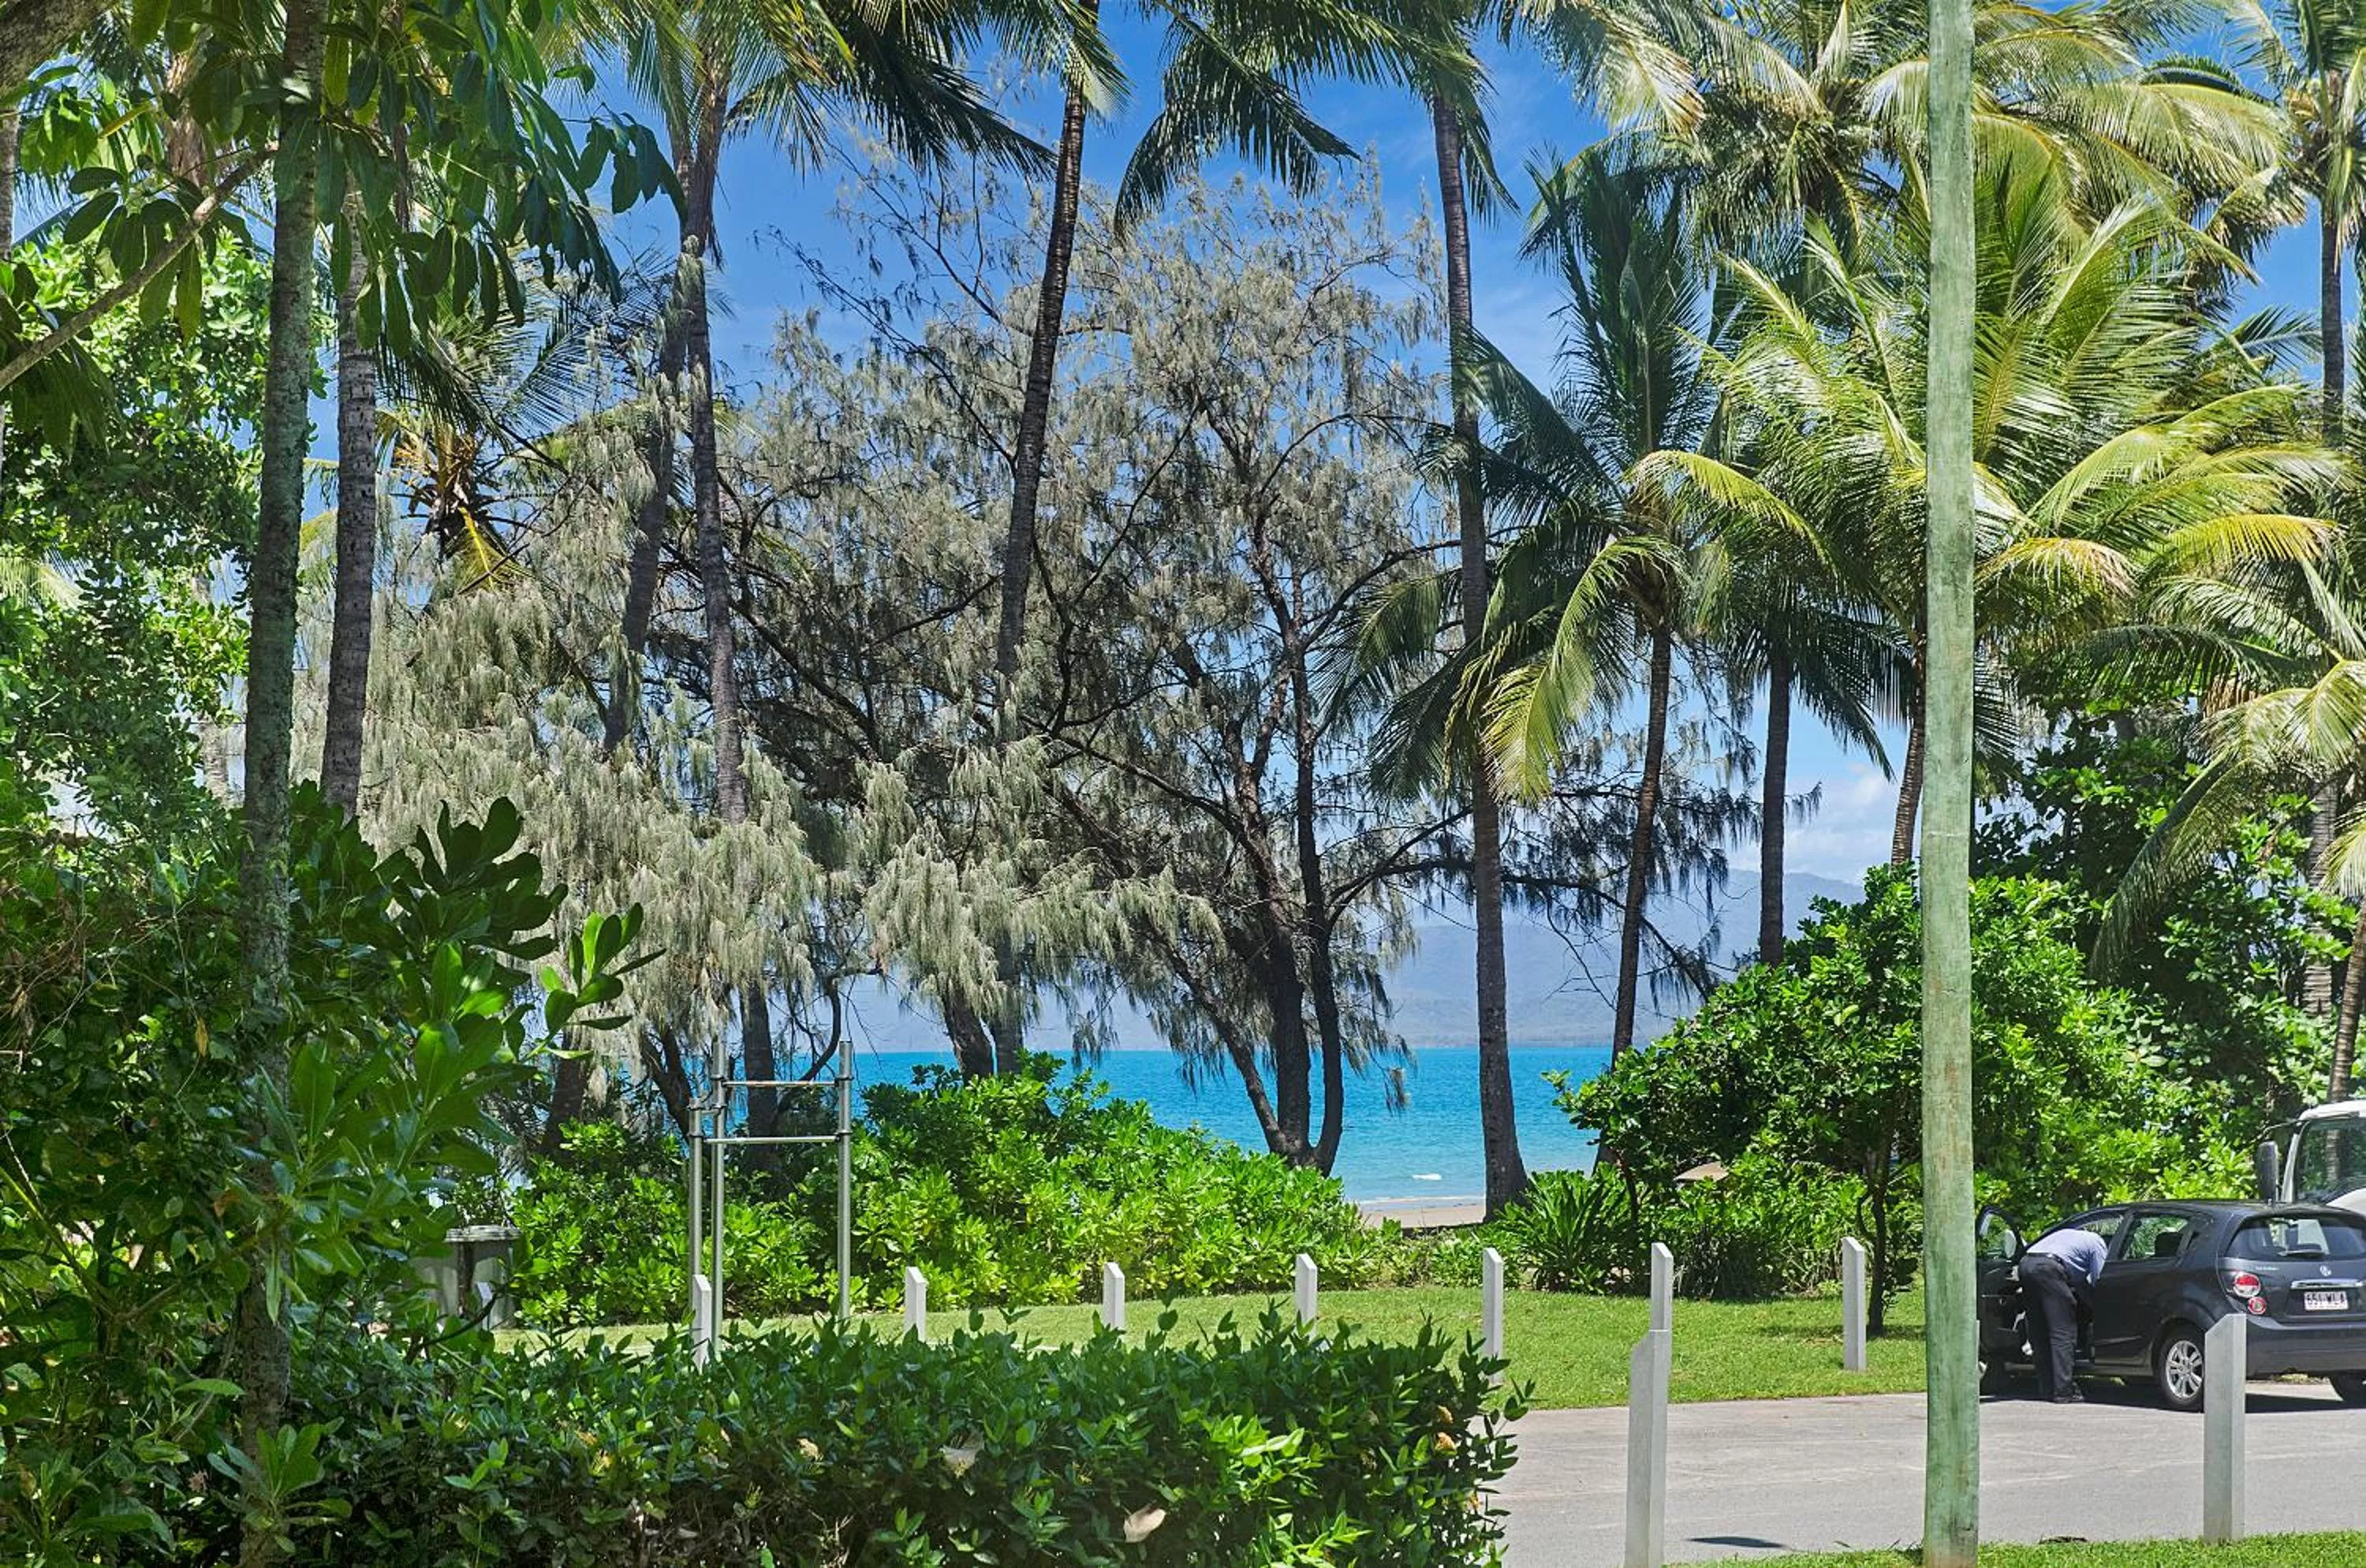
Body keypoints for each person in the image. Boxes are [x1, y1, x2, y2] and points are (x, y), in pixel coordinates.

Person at [2021, 1225, 2107, 1402]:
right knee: (2063, 1333)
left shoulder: (2064, 1235)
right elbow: (2101, 1280)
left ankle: (2046, 1389)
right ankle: (2063, 1392)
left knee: (2040, 1331)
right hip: (2050, 1269)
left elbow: (2080, 1283)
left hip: (2026, 1264)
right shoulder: (2096, 1242)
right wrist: (2101, 1310)